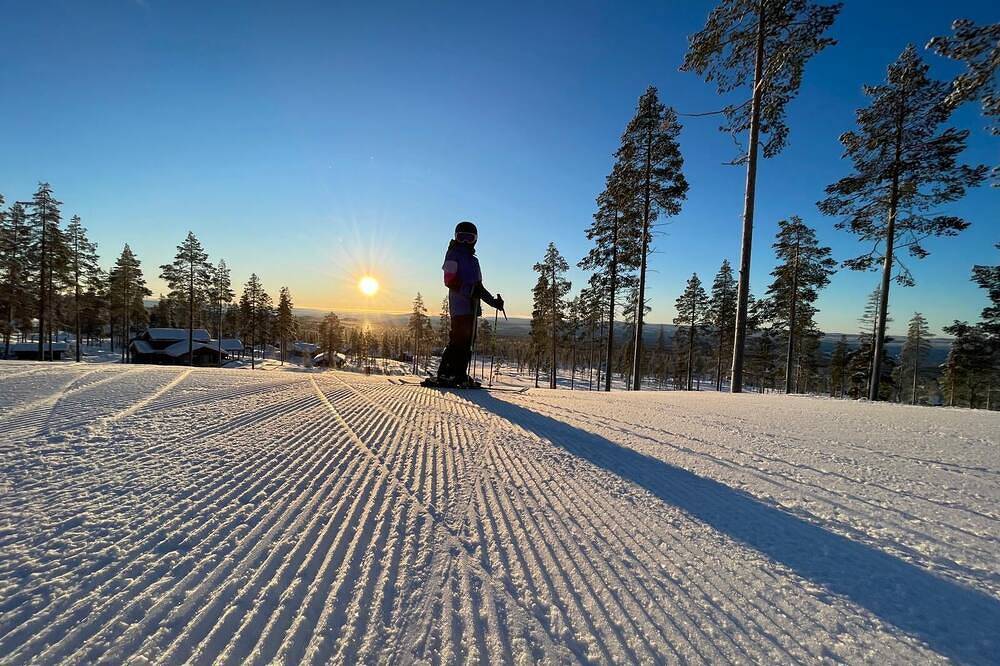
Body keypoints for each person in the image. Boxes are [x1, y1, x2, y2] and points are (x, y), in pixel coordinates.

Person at [435, 221, 503, 386]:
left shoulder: (474, 261)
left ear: (475, 240)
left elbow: (479, 288)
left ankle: (459, 374)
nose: (465, 241)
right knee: (458, 340)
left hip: (471, 308)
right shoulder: (453, 254)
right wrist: (469, 291)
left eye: (469, 238)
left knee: (467, 342)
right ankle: (445, 373)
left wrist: (494, 302)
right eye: (461, 237)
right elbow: (449, 280)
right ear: (456, 237)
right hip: (459, 307)